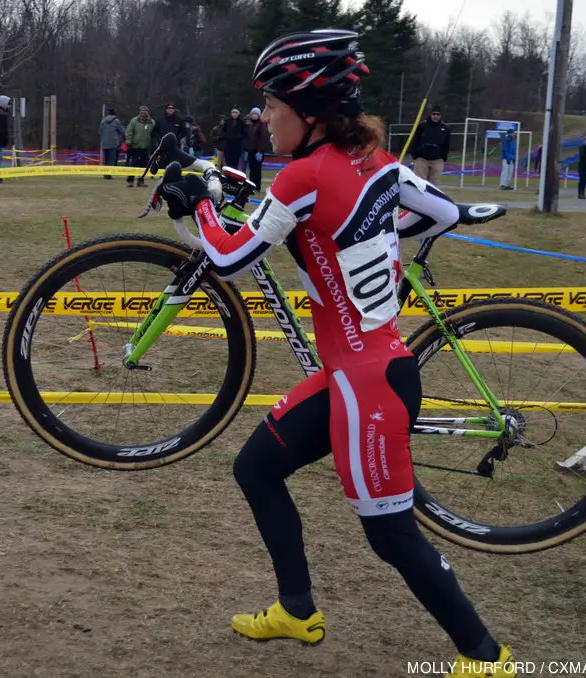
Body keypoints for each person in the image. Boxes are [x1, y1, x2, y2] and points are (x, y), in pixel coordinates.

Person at [154, 28, 514, 678]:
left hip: (367, 389)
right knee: (256, 469)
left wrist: (203, 206)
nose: (263, 117)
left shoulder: (302, 177)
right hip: (361, 374)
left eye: (272, 105)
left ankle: (487, 658)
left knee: (392, 536)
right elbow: (442, 215)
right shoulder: (375, 159)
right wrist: (378, 249)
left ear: (310, 112)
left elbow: (230, 260)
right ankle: (297, 609)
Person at [410, 104, 450, 185]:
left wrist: (443, 157)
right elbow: (415, 141)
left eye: (438, 114)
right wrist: (416, 154)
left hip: (437, 160)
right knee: (420, 183)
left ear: (440, 115)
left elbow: (447, 144)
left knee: (434, 185)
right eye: (434, 114)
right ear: (431, 114)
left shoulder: (445, 128)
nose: (436, 116)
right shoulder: (422, 126)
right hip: (422, 160)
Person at [125, 105, 154, 187]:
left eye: (145, 111)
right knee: (133, 164)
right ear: (139, 112)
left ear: (147, 112)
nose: (143, 112)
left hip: (145, 147)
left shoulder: (151, 122)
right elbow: (129, 132)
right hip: (134, 146)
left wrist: (153, 145)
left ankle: (140, 181)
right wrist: (128, 142)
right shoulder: (134, 121)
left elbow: (154, 134)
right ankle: (130, 181)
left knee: (143, 165)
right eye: (141, 110)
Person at [244, 106, 268, 188]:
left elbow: (263, 138)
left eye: (256, 114)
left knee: (257, 169)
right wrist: (246, 150)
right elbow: (246, 137)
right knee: (251, 169)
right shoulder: (248, 124)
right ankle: (250, 185)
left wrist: (260, 151)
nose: (254, 116)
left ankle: (257, 186)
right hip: (250, 150)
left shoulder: (262, 124)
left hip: (258, 151)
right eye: (253, 114)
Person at [99, 106, 125, 179]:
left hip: (104, 143)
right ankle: (109, 174)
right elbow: (122, 131)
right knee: (112, 159)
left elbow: (99, 131)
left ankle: (105, 174)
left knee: (106, 159)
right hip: (113, 143)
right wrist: (122, 138)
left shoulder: (103, 121)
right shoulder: (116, 121)